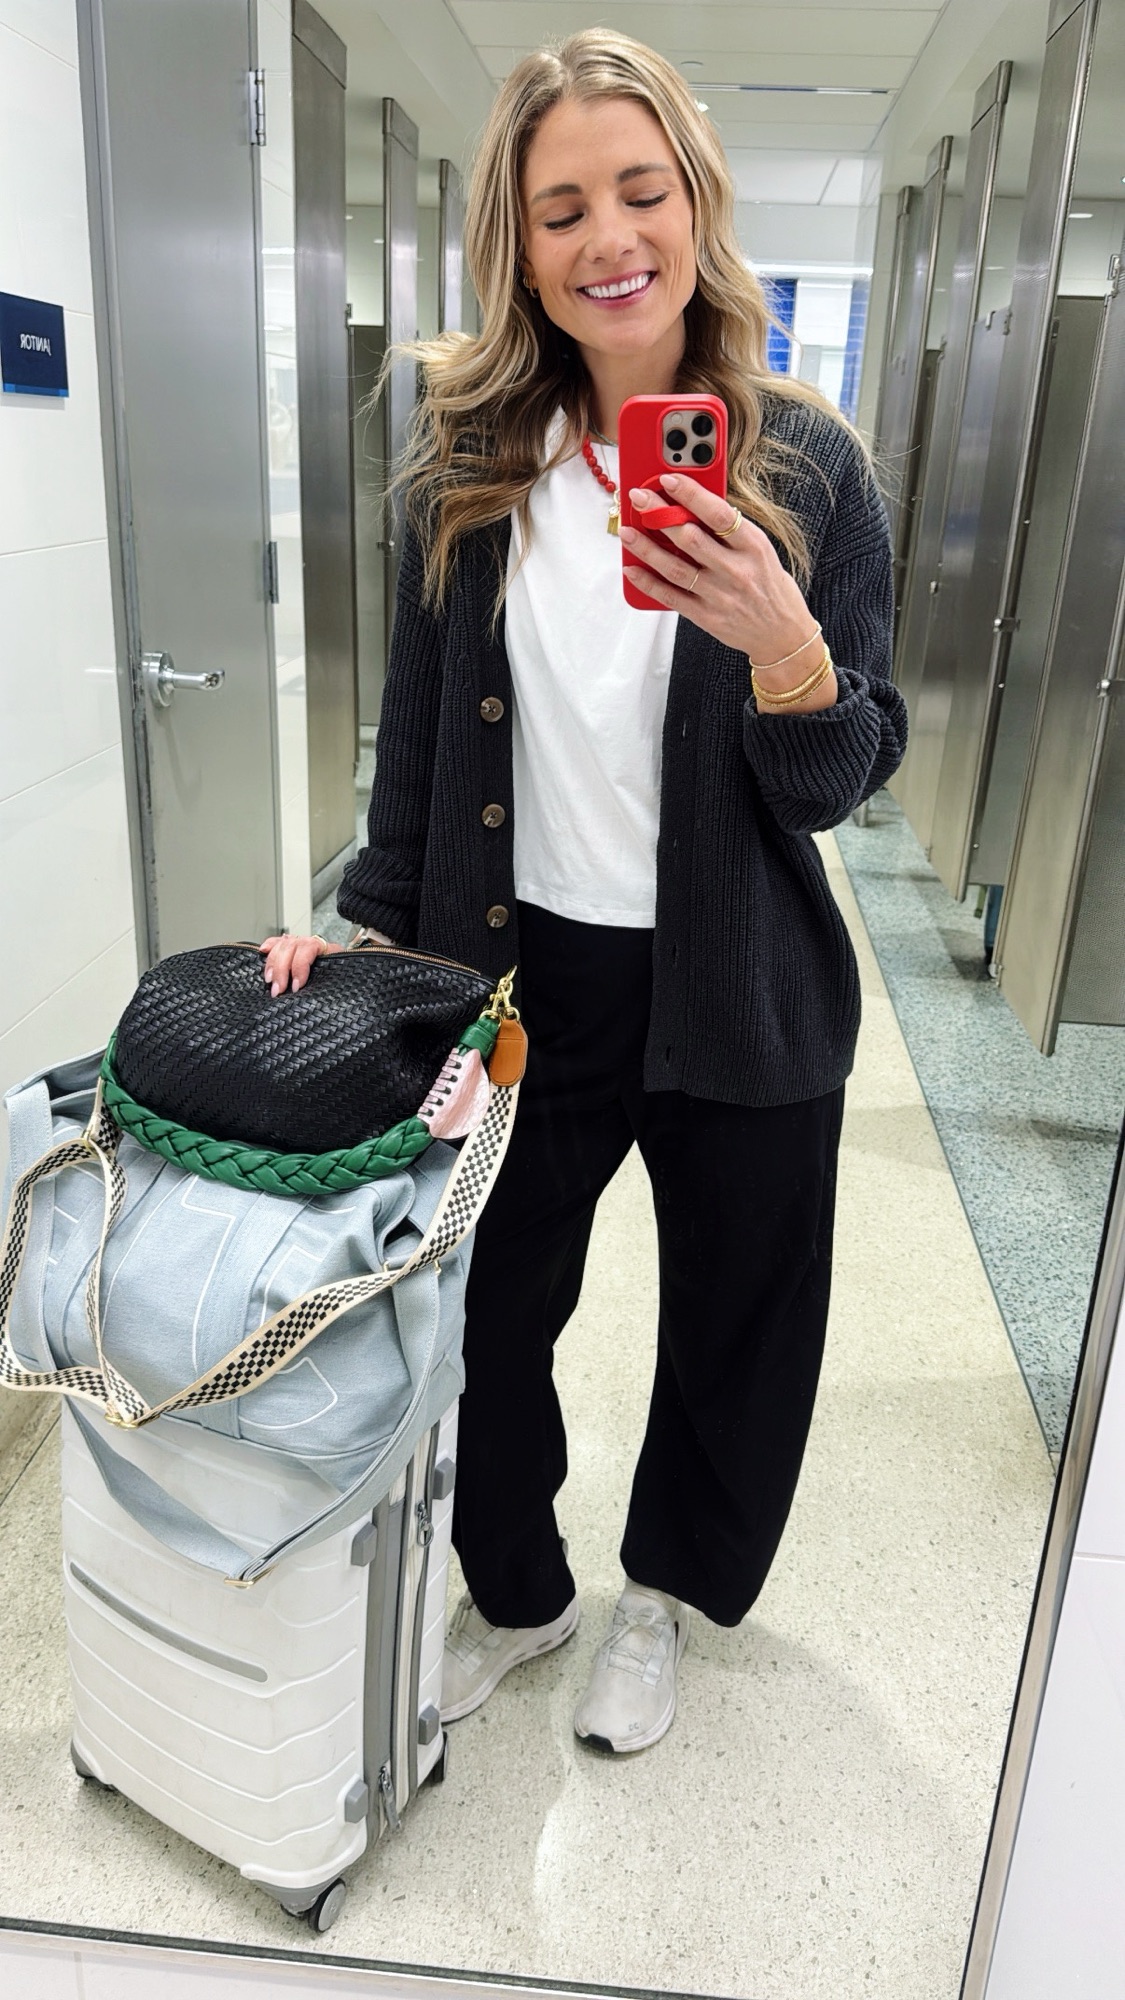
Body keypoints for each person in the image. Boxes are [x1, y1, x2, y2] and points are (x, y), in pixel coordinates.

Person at [261, 28, 906, 1756]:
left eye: (640, 190)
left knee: (735, 1325)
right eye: (562, 210)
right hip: (520, 980)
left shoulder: (808, 467)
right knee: (483, 1311)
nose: (609, 237)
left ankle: (664, 1602)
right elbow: (417, 739)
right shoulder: (469, 455)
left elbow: (837, 782)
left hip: (742, 986)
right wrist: (369, 947)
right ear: (521, 242)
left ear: (694, 201)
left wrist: (781, 645)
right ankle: (519, 1592)